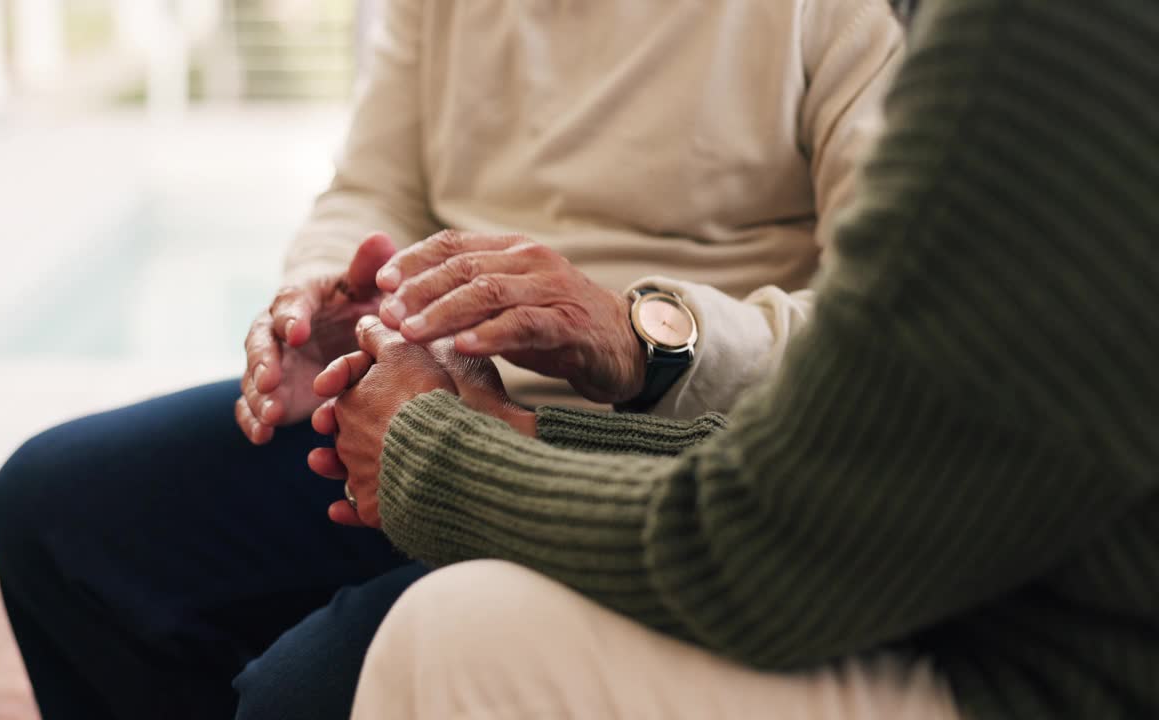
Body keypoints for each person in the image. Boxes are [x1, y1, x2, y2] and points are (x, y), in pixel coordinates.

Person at [0, 1, 905, 717]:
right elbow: (373, 183)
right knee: (54, 511)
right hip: (422, 398)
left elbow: (902, 329)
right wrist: (326, 293)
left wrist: (639, 340)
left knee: (311, 692)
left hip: (641, 439)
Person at [311, 0, 1159, 717]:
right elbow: (870, 465)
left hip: (1037, 658)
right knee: (176, 489)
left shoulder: (1033, 38)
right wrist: (351, 311)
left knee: (431, 640)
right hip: (926, 555)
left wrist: (447, 457)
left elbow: (780, 543)